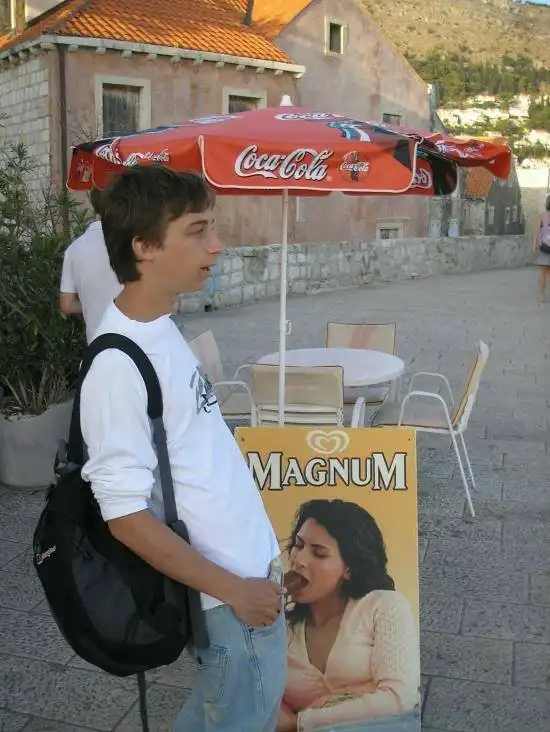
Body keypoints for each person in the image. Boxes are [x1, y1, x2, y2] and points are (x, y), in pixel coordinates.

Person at [79, 166, 287, 732]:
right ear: (144, 246)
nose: (216, 245)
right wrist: (236, 591)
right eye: (197, 231)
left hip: (245, 572)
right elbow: (125, 517)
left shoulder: (160, 326)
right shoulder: (117, 364)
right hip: (229, 596)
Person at [278, 499, 420, 732]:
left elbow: (399, 698)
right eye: (298, 545)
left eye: (319, 553)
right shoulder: (282, 627)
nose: (299, 560)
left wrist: (301, 722)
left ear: (348, 568)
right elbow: (259, 694)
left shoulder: (384, 606)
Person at [59, 187, 123, 343]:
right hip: (137, 340)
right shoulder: (132, 243)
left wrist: (93, 304)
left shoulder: (73, 249)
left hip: (97, 342)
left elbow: (66, 305)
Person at [533, 193, 550, 305]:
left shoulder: (542, 216)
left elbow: (536, 233)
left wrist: (534, 246)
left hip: (544, 246)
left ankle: (542, 295)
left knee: (543, 271)